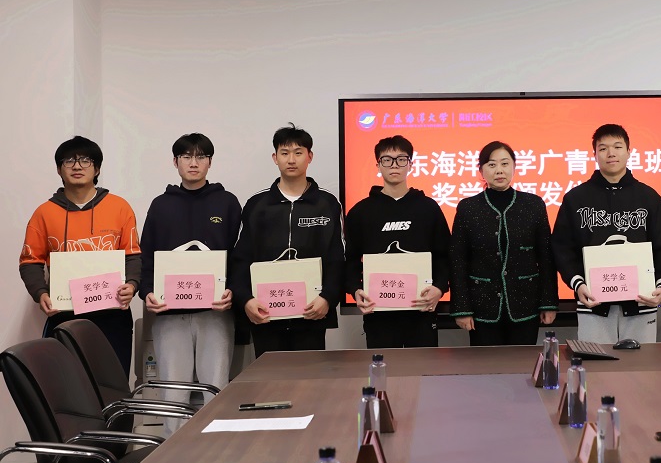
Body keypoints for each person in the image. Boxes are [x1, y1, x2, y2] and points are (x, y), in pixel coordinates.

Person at [138, 133, 241, 435]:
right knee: (173, 394)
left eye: (200, 156)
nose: (193, 163)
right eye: (186, 157)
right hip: (169, 314)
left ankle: (217, 450)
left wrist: (233, 291)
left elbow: (240, 255)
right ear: (175, 162)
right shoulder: (160, 205)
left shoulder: (227, 203)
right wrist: (147, 292)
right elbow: (146, 256)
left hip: (215, 312)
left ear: (210, 162)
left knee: (216, 390)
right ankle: (174, 455)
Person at [19, 136, 139, 374]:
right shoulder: (44, 213)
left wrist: (133, 284)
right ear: (59, 169)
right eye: (69, 161)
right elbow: (30, 261)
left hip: (112, 315)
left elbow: (133, 255)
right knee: (66, 384)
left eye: (85, 160)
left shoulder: (120, 207)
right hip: (64, 315)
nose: (77, 166)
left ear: (97, 169)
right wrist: (40, 293)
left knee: (112, 384)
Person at [552, 124, 661, 344]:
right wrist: (578, 283)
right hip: (593, 305)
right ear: (594, 154)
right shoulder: (575, 199)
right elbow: (562, 248)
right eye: (603, 148)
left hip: (641, 304)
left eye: (617, 147)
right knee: (596, 364)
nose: (610, 153)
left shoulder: (649, 198)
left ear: (629, 152)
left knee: (641, 364)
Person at [230, 124, 345, 357]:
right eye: (284, 153)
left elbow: (337, 257)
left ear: (310, 156)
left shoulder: (327, 204)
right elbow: (241, 259)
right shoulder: (257, 205)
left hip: (311, 314)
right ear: (275, 158)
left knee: (309, 376)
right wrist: (246, 300)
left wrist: (327, 298)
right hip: (266, 315)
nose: (291, 159)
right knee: (270, 378)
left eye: (298, 152)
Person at [346, 135, 451, 348]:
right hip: (379, 313)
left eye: (401, 159)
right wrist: (355, 290)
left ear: (410, 164)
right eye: (387, 159)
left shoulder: (428, 208)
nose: (394, 165)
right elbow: (350, 260)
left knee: (423, 368)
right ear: (378, 165)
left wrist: (439, 288)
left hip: (421, 311)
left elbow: (445, 255)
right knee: (383, 367)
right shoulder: (360, 212)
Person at [450, 141, 558, 346]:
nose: (499, 170)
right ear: (481, 170)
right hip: (482, 306)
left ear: (514, 167)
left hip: (526, 303)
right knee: (485, 364)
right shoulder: (468, 208)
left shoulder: (534, 205)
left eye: (505, 163)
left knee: (522, 362)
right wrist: (462, 308)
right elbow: (458, 261)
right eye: (491, 165)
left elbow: (546, 258)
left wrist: (548, 303)